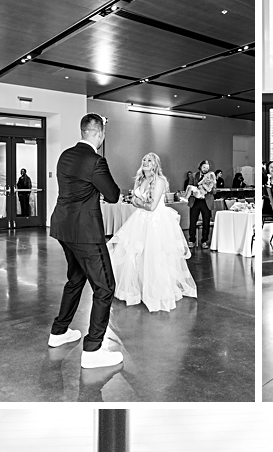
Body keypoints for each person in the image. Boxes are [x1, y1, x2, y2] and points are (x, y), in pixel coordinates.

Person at [47, 113, 123, 370]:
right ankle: (93, 349)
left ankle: (59, 332)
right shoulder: (96, 161)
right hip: (86, 233)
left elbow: (76, 189)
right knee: (105, 287)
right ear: (99, 134)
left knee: (76, 279)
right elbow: (113, 195)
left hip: (62, 227)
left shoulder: (65, 156)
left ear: (83, 131)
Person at [108, 152, 196, 314]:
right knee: (137, 256)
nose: (146, 162)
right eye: (144, 160)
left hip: (156, 223)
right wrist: (139, 202)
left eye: (149, 160)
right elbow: (136, 202)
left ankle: (156, 291)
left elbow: (152, 207)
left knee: (154, 256)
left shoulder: (160, 181)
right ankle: (140, 288)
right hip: (140, 221)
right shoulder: (141, 180)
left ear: (155, 165)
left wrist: (138, 202)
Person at [186, 159, 217, 247]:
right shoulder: (193, 175)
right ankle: (191, 240)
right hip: (195, 201)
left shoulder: (211, 176)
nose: (205, 169)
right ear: (200, 167)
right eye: (204, 167)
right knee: (192, 221)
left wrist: (209, 189)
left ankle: (204, 241)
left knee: (206, 222)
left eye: (207, 168)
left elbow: (214, 190)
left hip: (206, 201)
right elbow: (189, 186)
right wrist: (195, 190)